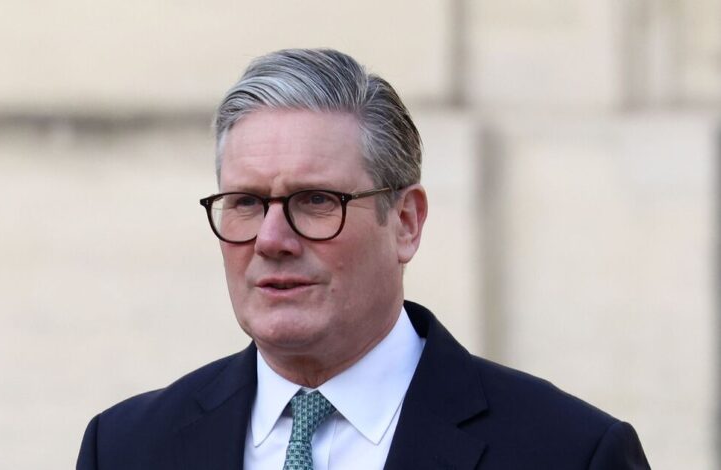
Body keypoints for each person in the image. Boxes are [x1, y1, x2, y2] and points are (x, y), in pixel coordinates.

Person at [76, 48, 650, 470]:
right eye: (246, 202)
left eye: (316, 200)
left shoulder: (569, 454)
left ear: (405, 223)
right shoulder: (126, 449)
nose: (272, 239)